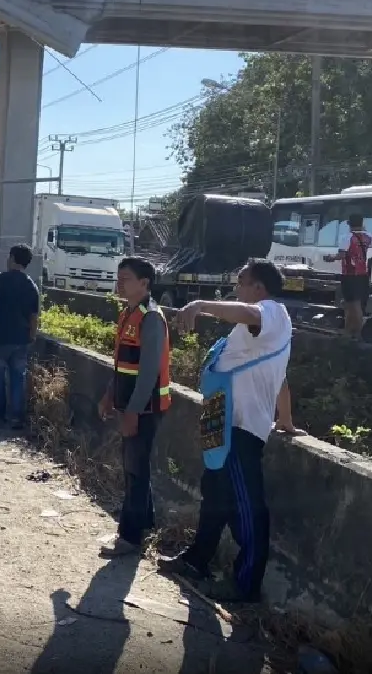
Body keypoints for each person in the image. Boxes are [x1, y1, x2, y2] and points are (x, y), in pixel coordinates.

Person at [159, 259, 301, 603]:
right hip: (221, 420)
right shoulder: (262, 331)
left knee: (247, 505)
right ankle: (197, 559)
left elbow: (249, 315)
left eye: (242, 282)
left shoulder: (272, 312)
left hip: (241, 426)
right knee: (215, 494)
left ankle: (246, 584)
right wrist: (285, 418)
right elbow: (278, 375)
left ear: (259, 288)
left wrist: (201, 305)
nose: (237, 289)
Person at [99, 257, 171, 559]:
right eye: (119, 277)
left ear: (145, 283)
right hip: (129, 404)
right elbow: (122, 365)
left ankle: (130, 538)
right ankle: (144, 522)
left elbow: (149, 371)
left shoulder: (151, 318)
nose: (120, 283)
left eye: (126, 278)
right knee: (135, 468)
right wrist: (109, 395)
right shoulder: (130, 313)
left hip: (145, 407)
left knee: (135, 470)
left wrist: (133, 412)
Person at [0, 243, 41, 428]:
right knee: (18, 377)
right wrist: (31, 336)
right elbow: (34, 317)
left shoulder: (0, 279)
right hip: (21, 339)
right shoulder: (31, 285)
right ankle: (16, 416)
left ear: (13, 258)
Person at [324, 213, 372, 340]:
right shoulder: (368, 236)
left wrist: (330, 258)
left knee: (353, 304)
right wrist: (364, 229)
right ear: (362, 223)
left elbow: (341, 255)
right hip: (363, 274)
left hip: (350, 275)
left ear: (349, 224)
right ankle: (349, 330)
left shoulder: (347, 237)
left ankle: (357, 332)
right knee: (353, 304)